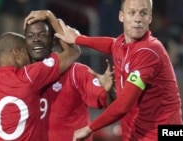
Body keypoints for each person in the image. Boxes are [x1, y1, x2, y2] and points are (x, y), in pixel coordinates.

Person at [41, 0, 183, 140]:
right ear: (121, 16)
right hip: (136, 134)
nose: (137, 19)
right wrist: (78, 39)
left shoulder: (148, 51)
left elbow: (123, 106)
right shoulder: (123, 44)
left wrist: (89, 129)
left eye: (143, 13)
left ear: (150, 18)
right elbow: (111, 44)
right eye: (132, 13)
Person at [23, 10, 114, 141]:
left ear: (54, 41)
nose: (36, 39)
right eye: (30, 36)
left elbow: (111, 106)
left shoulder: (77, 73)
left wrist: (109, 92)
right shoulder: (22, 77)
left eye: (42, 35)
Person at [0, 31, 80, 141]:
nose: (31, 59)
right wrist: (52, 21)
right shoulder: (28, 77)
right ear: (17, 53)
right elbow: (73, 52)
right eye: (28, 53)